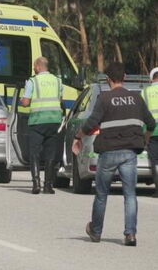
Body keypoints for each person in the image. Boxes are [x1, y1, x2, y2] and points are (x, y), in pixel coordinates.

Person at [75, 62, 155, 246]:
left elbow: (90, 123)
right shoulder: (136, 98)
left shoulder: (104, 99)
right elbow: (151, 123)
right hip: (129, 153)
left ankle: (95, 231)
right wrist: (146, 138)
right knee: (130, 194)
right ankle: (130, 234)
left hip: (109, 152)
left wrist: (77, 137)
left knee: (102, 194)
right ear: (124, 77)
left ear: (108, 79)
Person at [19, 56, 64, 194]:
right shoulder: (58, 81)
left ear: (38, 67)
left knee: (34, 153)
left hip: (37, 121)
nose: (33, 68)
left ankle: (36, 184)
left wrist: (21, 100)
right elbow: (60, 99)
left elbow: (26, 102)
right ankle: (48, 185)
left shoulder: (33, 81)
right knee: (50, 154)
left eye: (34, 66)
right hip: (54, 121)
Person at [144, 67, 158, 184]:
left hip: (151, 132)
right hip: (151, 131)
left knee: (155, 161)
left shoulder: (144, 92)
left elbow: (139, 113)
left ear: (151, 79)